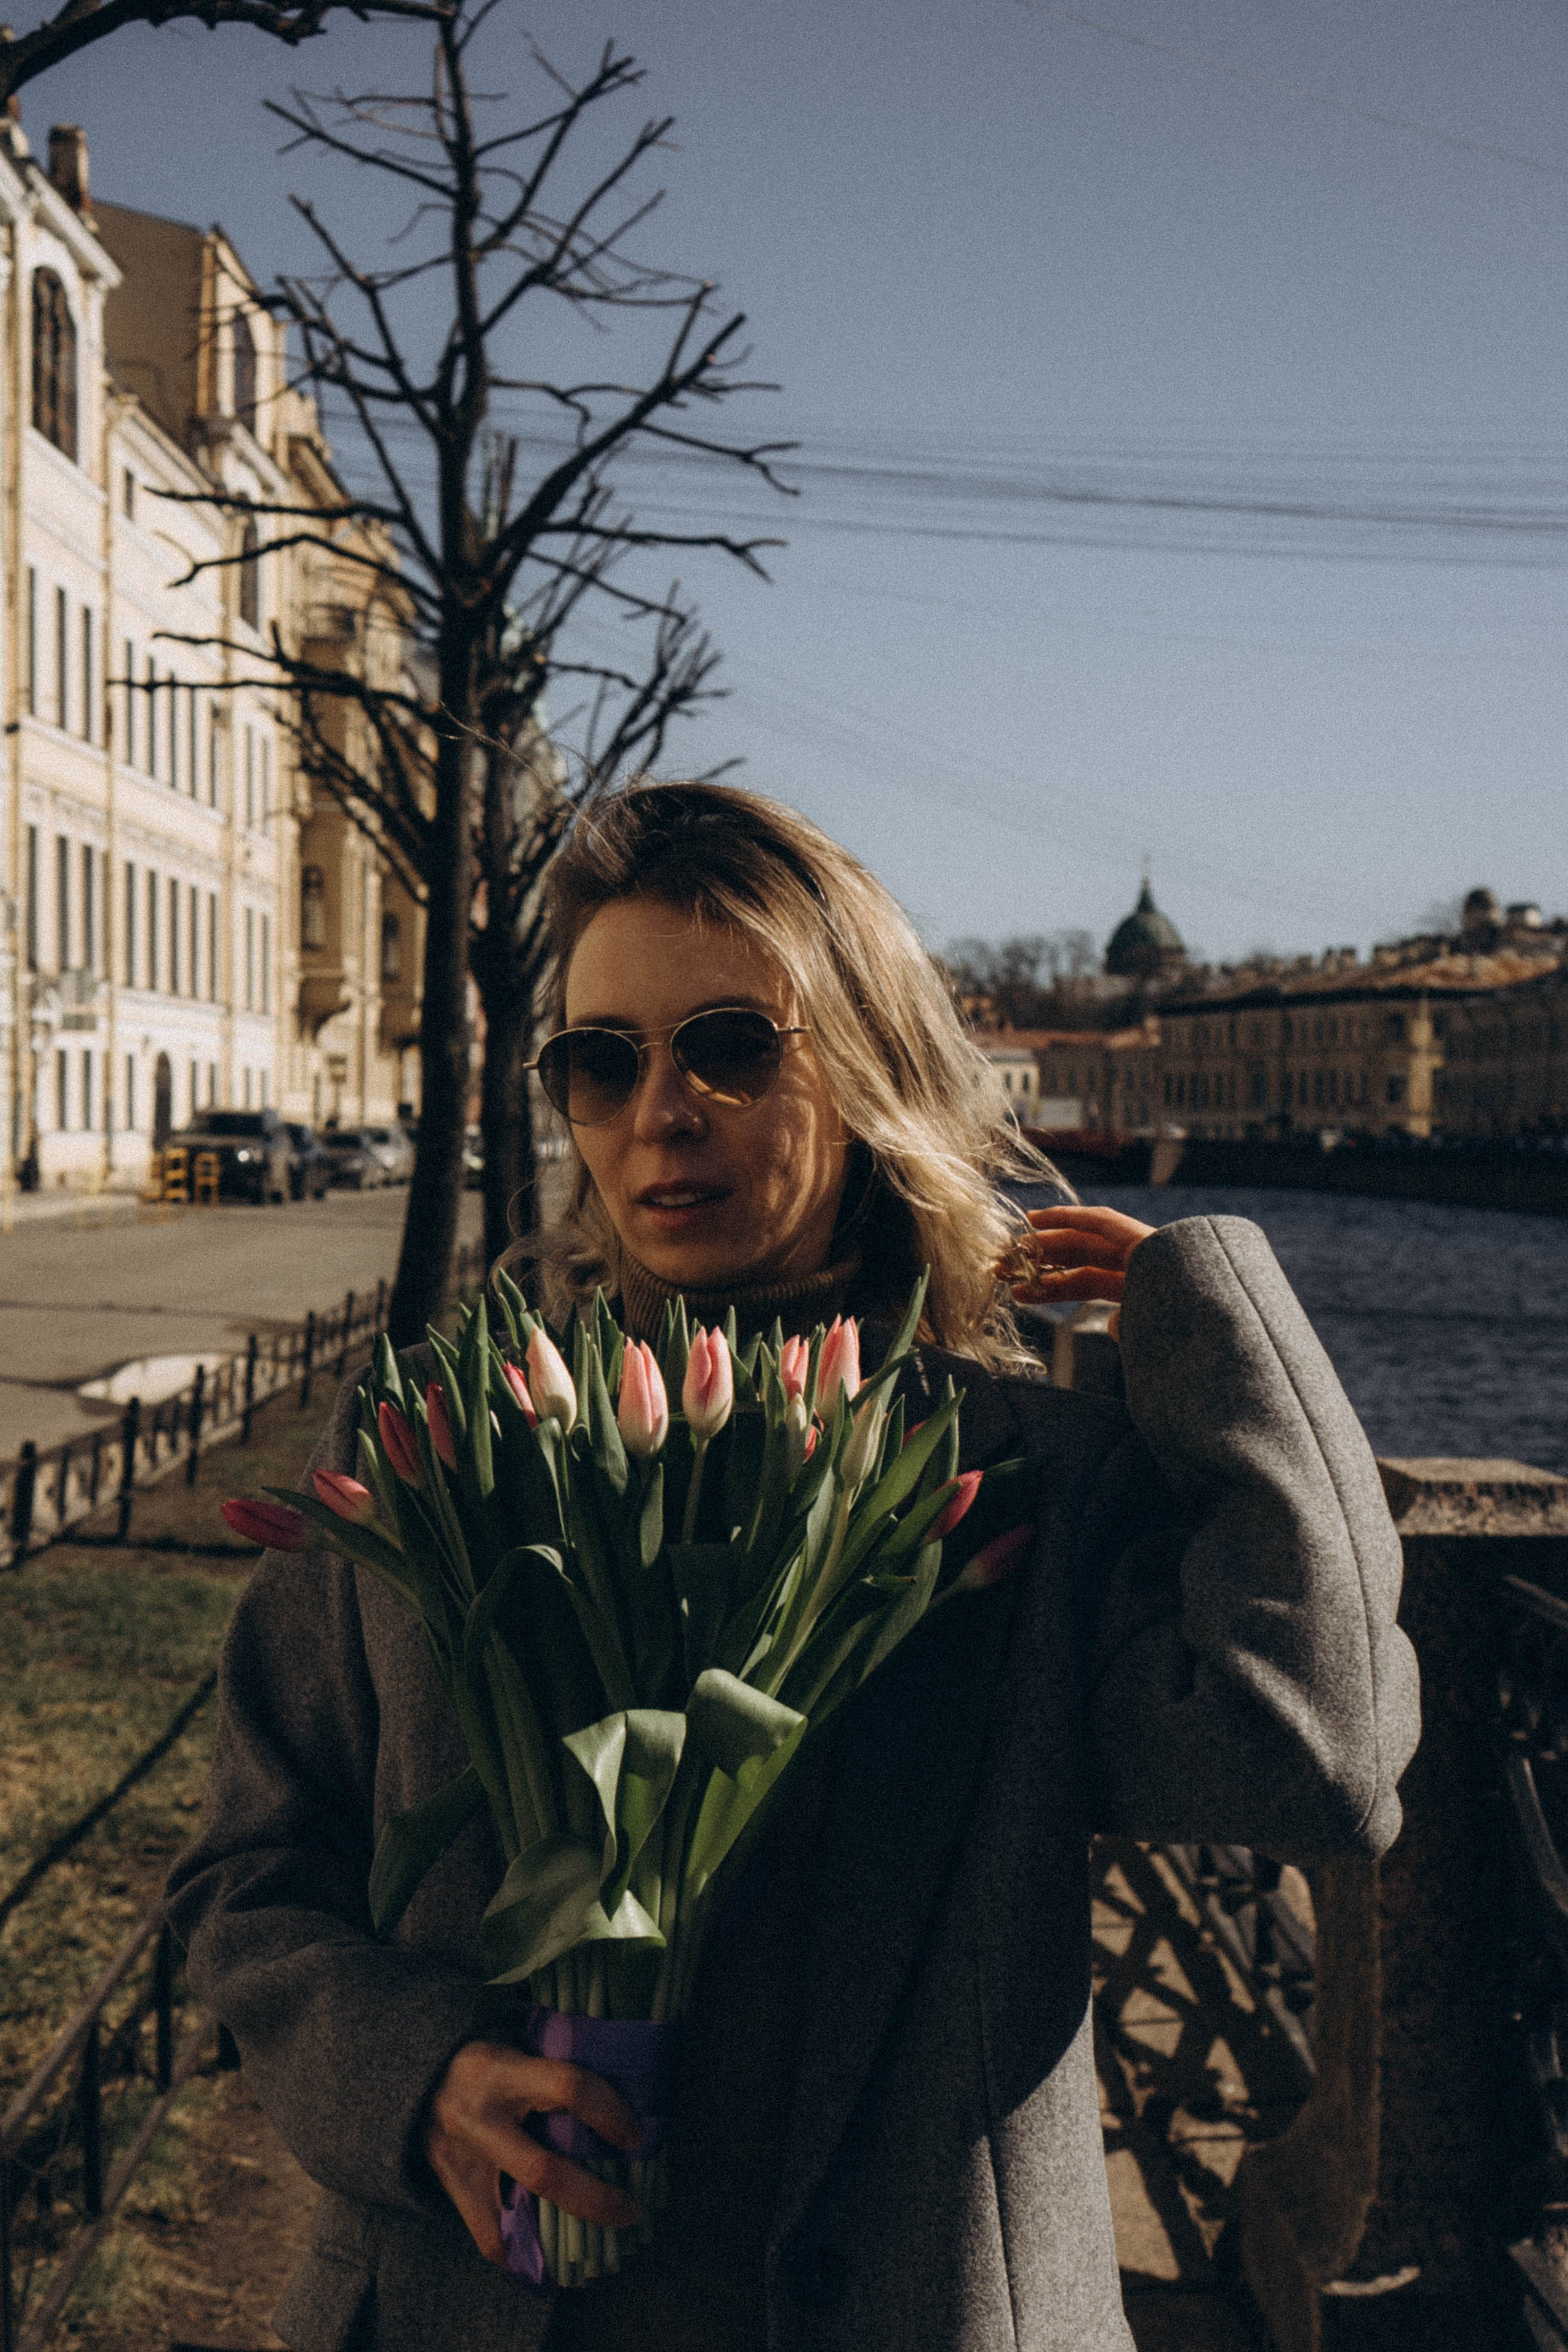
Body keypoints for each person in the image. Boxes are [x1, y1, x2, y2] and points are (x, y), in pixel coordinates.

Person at [168, 782, 1420, 2352]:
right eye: (600, 1063)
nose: (659, 1114)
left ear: (872, 1070)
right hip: (462, 2302)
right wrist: (413, 2081)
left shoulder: (1021, 1475)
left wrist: (1219, 1323)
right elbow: (247, 1875)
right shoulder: (445, 1436)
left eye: (732, 1047)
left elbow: (1314, 1763)